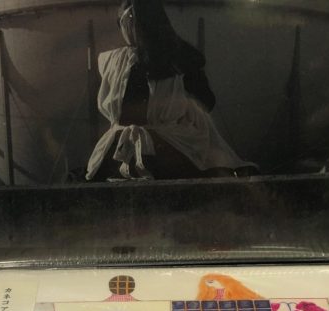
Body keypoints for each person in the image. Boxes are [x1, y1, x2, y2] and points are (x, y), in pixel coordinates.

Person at [86, 0, 254, 181]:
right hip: (133, 144)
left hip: (167, 144)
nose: (123, 31)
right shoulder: (119, 61)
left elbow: (206, 103)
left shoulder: (176, 58)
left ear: (132, 22)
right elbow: (206, 103)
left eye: (123, 23)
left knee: (139, 149)